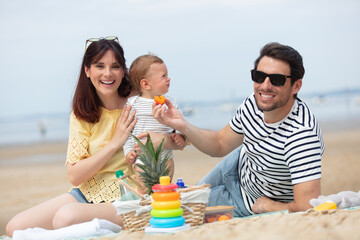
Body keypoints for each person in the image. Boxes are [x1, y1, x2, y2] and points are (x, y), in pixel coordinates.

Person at [5, 37, 180, 236]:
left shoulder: (140, 101)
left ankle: (120, 222)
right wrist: (115, 143)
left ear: (124, 71)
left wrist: (167, 138)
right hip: (88, 193)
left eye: (115, 66)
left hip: (129, 194)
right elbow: (75, 176)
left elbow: (175, 139)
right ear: (87, 71)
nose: (108, 73)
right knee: (15, 227)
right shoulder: (82, 113)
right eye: (99, 66)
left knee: (65, 218)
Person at [152, 42, 325, 217]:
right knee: (181, 198)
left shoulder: (301, 136)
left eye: (277, 80)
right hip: (238, 164)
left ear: (296, 86)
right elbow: (219, 143)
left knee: (177, 210)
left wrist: (268, 207)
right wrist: (182, 125)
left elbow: (307, 206)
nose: (265, 86)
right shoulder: (254, 103)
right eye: (259, 76)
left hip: (245, 201)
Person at [124, 54, 187, 193]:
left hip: (166, 157)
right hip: (142, 159)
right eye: (163, 76)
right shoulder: (132, 104)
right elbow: (127, 134)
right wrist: (128, 152)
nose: (168, 79)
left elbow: (181, 123)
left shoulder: (169, 102)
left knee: (165, 191)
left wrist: (180, 136)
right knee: (145, 192)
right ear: (146, 84)